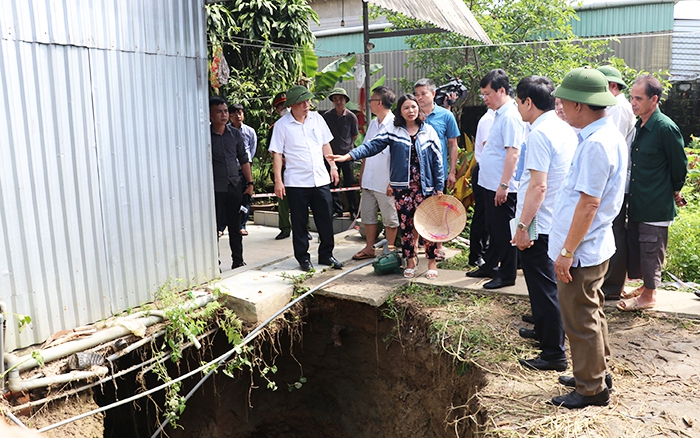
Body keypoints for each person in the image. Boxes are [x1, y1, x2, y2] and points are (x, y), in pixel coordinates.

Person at [548, 67, 627, 409]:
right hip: (593, 244)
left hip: (582, 247)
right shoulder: (601, 136)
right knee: (591, 312)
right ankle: (594, 370)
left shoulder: (596, 143)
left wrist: (567, 251)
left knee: (579, 319)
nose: (561, 108)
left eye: (564, 103)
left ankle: (591, 388)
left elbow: (589, 203)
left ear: (581, 105)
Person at [327, 94, 444, 279]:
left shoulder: (429, 131)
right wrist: (348, 156)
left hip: (425, 188)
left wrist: (439, 187)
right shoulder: (394, 131)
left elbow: (438, 162)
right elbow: (371, 146)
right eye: (406, 108)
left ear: (418, 109)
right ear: (400, 111)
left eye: (413, 107)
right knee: (406, 226)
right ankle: (410, 261)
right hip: (402, 188)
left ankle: (431, 262)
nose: (411, 111)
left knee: (427, 226)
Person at [511, 76, 577, 371]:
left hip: (541, 222)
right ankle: (543, 331)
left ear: (528, 102)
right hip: (556, 218)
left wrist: (524, 227)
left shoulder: (539, 133)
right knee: (543, 286)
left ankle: (553, 353)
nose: (517, 108)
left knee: (543, 288)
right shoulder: (563, 127)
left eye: (518, 102)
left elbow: (538, 187)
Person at [618, 75, 688, 312]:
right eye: (631, 98)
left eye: (638, 98)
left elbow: (679, 165)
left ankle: (649, 295)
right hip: (639, 199)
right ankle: (645, 287)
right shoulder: (640, 125)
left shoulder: (665, 128)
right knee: (637, 245)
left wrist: (674, 189)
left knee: (651, 248)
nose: (633, 103)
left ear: (654, 99)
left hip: (655, 201)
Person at [270, 85, 343, 271]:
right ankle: (303, 258)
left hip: (320, 179)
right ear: (292, 105)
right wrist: (278, 181)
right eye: (302, 103)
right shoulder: (282, 125)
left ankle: (327, 255)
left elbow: (325, 144)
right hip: (296, 182)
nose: (306, 105)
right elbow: (277, 154)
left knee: (325, 219)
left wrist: (333, 166)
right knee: (300, 222)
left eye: (308, 101)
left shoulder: (317, 119)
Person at [467, 69, 527, 289]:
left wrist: (503, 184)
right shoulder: (499, 115)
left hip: (502, 186)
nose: (484, 99)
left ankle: (507, 273)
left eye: (487, 94)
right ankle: (490, 264)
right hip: (489, 183)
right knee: (493, 228)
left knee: (503, 232)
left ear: (501, 91)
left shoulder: (511, 116)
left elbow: (513, 153)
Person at [597, 65, 636, 300]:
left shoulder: (618, 108)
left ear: (612, 86)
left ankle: (612, 285)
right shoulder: (615, 106)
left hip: (616, 180)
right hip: (613, 179)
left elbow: (613, 145)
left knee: (616, 230)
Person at [414, 79, 461, 261]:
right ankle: (416, 246)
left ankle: (438, 246)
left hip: (437, 172)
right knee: (416, 209)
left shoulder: (445, 116)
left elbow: (453, 145)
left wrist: (452, 171)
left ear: (433, 94)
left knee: (437, 209)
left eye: (423, 93)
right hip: (416, 172)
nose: (419, 98)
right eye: (417, 94)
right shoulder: (411, 115)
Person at [352, 86, 399, 260]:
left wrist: (393, 181)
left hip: (386, 181)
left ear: (379, 102)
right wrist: (363, 174)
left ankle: (390, 251)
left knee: (390, 218)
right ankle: (370, 248)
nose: (369, 104)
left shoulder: (395, 125)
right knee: (368, 215)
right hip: (370, 180)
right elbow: (366, 151)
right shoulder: (373, 124)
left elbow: (398, 158)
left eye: (371, 100)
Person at [210, 96, 255, 270]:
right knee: (214, 229)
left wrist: (250, 183)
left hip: (235, 185)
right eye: (219, 111)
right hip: (215, 188)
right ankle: (215, 263)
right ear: (210, 114)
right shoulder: (206, 135)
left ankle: (238, 260)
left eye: (225, 111)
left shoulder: (235, 134)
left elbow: (244, 159)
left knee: (235, 227)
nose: (224, 115)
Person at [323, 87, 359, 218]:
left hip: (347, 156)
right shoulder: (327, 116)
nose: (338, 102)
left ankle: (352, 210)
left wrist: (346, 148)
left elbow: (354, 135)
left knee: (349, 183)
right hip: (331, 156)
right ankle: (336, 210)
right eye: (335, 99)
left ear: (345, 100)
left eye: (341, 99)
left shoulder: (351, 117)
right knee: (333, 184)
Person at [469, 108, 495, 268]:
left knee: (491, 217)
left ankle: (486, 253)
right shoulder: (488, 120)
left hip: (494, 172)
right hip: (485, 170)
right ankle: (476, 255)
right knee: (482, 215)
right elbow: (488, 150)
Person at [229, 103, 258, 237]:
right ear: (230, 116)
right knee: (229, 198)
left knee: (245, 198)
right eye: (235, 114)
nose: (238, 116)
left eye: (240, 113)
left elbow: (252, 149)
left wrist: (247, 164)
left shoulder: (250, 131)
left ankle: (242, 225)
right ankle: (222, 226)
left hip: (244, 169)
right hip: (230, 170)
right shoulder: (226, 131)